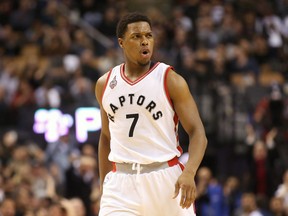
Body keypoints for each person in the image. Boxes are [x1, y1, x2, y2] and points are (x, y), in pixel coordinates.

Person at [95, 12, 207, 216]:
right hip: (121, 184)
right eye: (136, 37)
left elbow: (197, 131)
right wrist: (103, 185)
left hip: (166, 180)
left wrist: (189, 172)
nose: (144, 41)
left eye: (148, 35)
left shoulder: (170, 80)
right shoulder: (105, 84)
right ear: (121, 42)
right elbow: (105, 137)